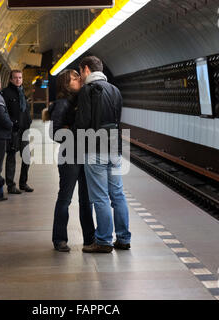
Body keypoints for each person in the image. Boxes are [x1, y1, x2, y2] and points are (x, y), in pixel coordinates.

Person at [75, 56, 131, 253]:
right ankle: (123, 238)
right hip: (115, 149)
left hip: (95, 150)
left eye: (81, 71)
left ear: (87, 69)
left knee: (100, 197)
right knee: (118, 195)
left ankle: (104, 241)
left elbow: (82, 123)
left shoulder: (87, 91)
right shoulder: (115, 90)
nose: (80, 76)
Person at [45, 69, 95, 252]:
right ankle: (59, 239)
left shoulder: (79, 100)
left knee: (86, 199)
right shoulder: (62, 103)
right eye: (75, 78)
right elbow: (55, 132)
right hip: (69, 157)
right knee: (65, 198)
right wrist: (74, 132)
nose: (79, 80)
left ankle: (90, 239)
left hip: (83, 155)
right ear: (66, 84)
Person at [2, 70, 33, 194]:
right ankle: (11, 185)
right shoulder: (5, 93)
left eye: (20, 78)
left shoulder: (22, 92)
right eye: (15, 78)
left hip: (24, 130)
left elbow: (25, 110)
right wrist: (11, 124)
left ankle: (23, 183)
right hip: (13, 131)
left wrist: (28, 121)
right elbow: (4, 112)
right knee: (11, 157)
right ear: (10, 79)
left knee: (27, 157)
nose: (18, 80)